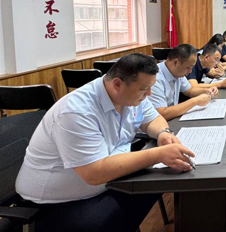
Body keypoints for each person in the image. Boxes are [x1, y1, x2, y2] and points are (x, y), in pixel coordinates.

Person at [15, 53, 196, 232]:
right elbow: (94, 173)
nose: (148, 93)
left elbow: (153, 119)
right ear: (117, 84)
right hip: (56, 202)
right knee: (145, 192)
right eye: (144, 89)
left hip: (107, 182)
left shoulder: (130, 94)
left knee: (159, 183)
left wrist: (163, 133)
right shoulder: (76, 111)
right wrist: (158, 155)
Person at [147, 44, 219, 121]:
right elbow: (161, 113)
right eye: (188, 67)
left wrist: (207, 90)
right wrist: (195, 101)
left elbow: (189, 90)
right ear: (175, 62)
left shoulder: (177, 73)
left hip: (172, 119)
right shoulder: (154, 78)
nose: (190, 71)